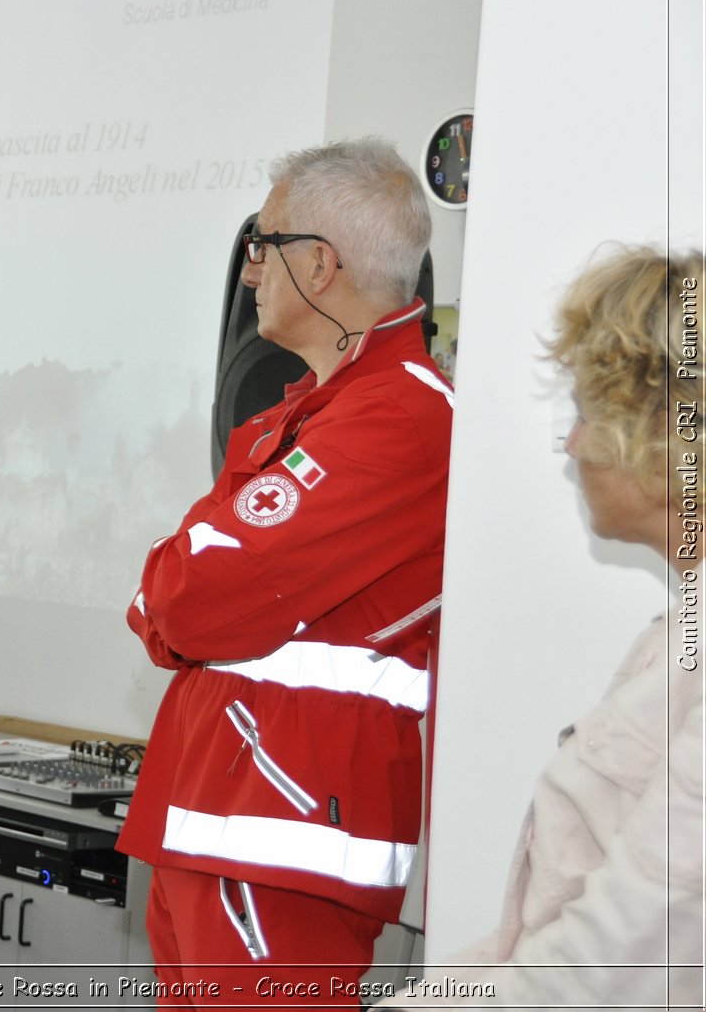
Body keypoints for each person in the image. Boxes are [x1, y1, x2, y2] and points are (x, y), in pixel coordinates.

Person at [118, 138, 452, 1005]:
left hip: (281, 834)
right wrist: (175, 597)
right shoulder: (298, 413)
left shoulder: (403, 418)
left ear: (319, 262)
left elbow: (195, 593)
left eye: (264, 244)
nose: (249, 271)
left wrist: (176, 597)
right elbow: (172, 592)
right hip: (218, 818)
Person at [382, 246, 704, 1009]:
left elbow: (631, 938)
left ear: (658, 433)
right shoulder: (677, 630)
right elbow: (540, 942)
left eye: (587, 413)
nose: (572, 444)